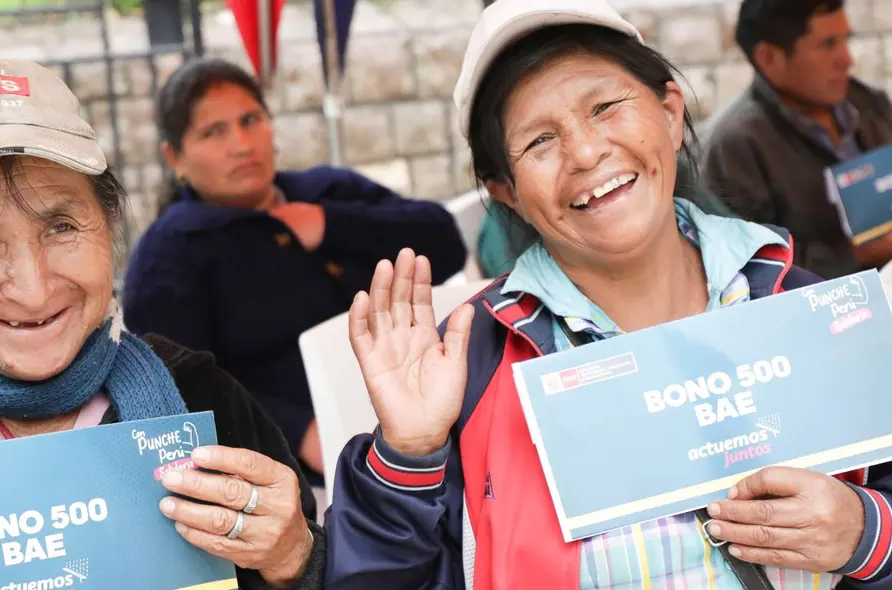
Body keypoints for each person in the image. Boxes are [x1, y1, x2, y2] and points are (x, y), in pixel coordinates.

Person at [323, 1, 892, 588]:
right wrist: (408, 456)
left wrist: (866, 533)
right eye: (540, 140)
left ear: (671, 113)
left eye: (605, 107)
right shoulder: (468, 371)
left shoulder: (807, 308)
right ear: (506, 191)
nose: (587, 153)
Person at [0, 57, 324, 589]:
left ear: (109, 225)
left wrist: (295, 561)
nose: (34, 289)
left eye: (60, 226)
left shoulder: (201, 397)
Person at [121, 58, 468, 486]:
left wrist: (328, 223)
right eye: (214, 131)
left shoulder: (329, 190)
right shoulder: (170, 256)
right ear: (176, 158)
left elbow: (446, 245)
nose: (242, 143)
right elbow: (180, 388)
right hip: (300, 476)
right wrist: (296, 429)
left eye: (251, 120)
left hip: (434, 417)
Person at [701, 0, 892, 280]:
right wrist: (856, 254)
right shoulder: (734, 147)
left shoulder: (869, 103)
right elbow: (751, 265)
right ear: (769, 58)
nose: (847, 59)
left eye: (845, 40)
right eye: (828, 44)